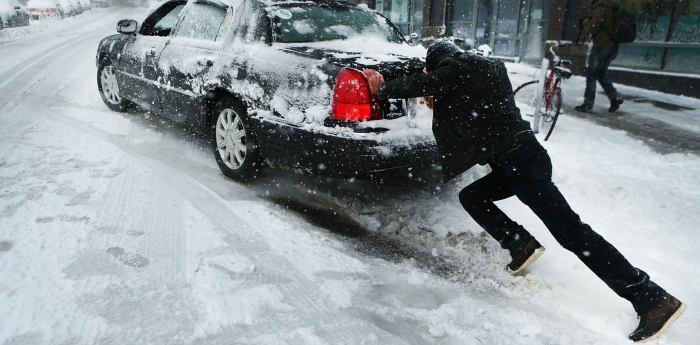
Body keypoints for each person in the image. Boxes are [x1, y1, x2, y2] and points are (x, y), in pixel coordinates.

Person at [362, 41, 685, 343]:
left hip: (522, 164)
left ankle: (653, 299)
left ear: (440, 63)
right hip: (517, 162)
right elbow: (436, 84)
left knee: (573, 234)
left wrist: (383, 88)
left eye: (432, 71)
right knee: (472, 197)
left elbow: (426, 83)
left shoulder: (462, 69)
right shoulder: (480, 69)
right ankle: (521, 245)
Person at [575, 0, 624, 113]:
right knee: (600, 73)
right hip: (613, 46)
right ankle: (614, 98)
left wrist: (585, 21)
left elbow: (593, 27)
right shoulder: (614, 6)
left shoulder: (602, 6)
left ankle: (588, 104)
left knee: (591, 74)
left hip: (601, 46)